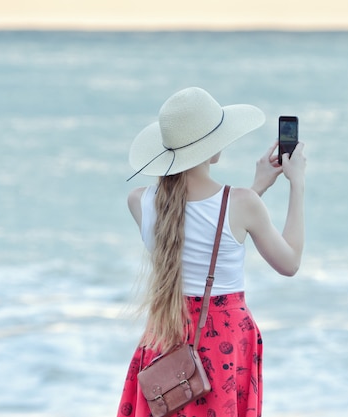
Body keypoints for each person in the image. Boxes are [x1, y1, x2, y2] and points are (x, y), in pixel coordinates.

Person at [117, 87, 305, 417]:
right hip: (223, 346)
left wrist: (256, 188)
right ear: (213, 149)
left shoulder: (139, 201)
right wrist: (296, 184)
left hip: (165, 338)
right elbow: (289, 262)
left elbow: (195, 225)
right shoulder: (243, 204)